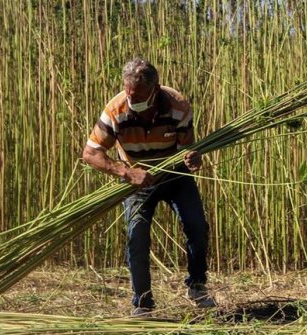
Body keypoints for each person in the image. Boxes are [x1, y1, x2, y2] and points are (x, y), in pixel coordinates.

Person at [82, 58, 216, 316]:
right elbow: (90, 153)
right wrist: (126, 172)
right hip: (136, 181)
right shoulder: (115, 111)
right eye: (129, 93)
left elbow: (188, 146)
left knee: (197, 225)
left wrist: (192, 156)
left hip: (174, 175)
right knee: (137, 236)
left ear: (155, 90)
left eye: (140, 95)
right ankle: (142, 303)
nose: (133, 100)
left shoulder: (177, 105)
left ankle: (197, 285)